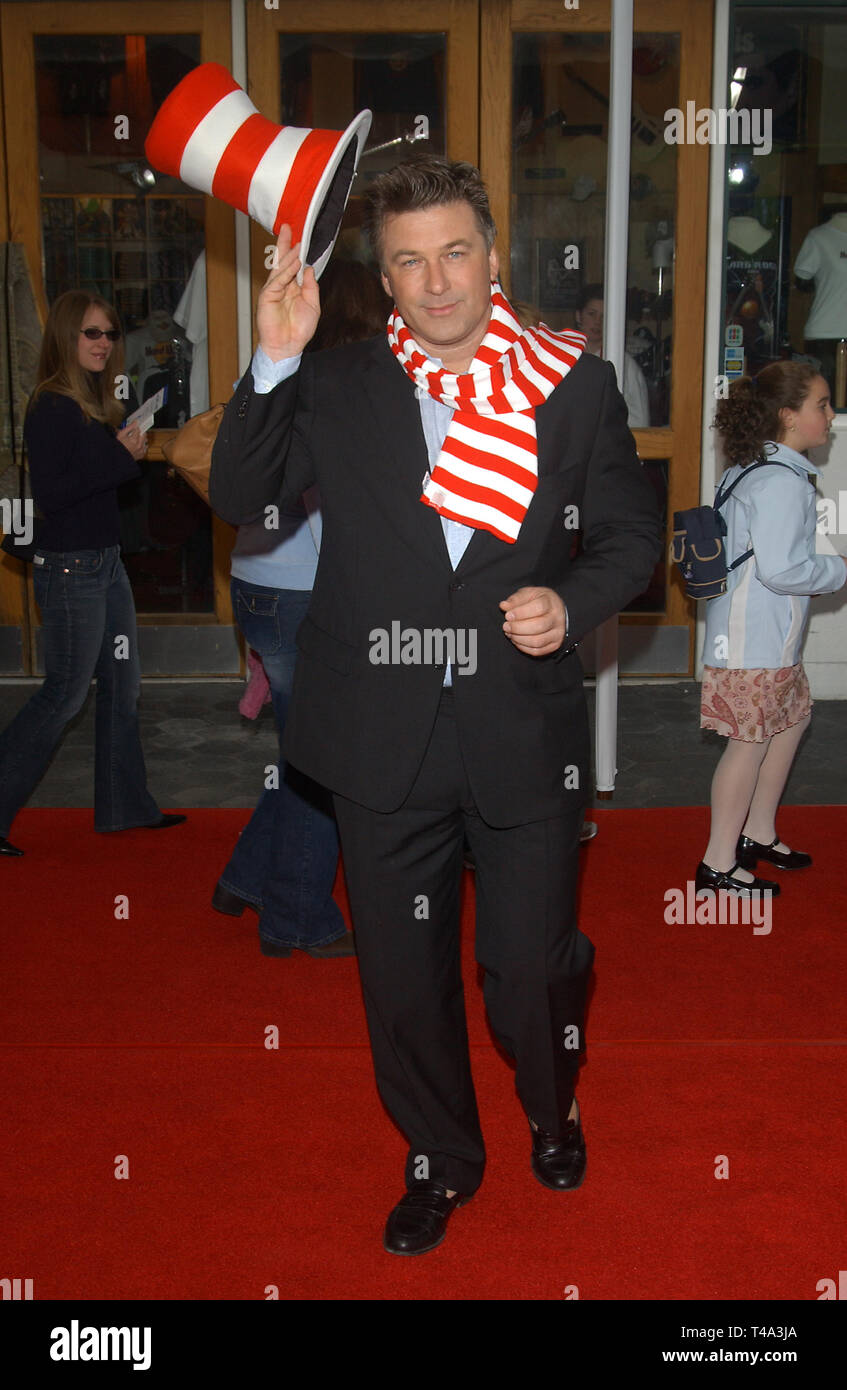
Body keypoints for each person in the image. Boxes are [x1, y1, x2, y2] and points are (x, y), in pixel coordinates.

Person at [210, 156, 661, 1254]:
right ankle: (440, 1156)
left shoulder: (574, 385)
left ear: (493, 256)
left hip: (523, 736)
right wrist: (275, 353)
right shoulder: (339, 381)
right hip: (381, 741)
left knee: (525, 970)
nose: (437, 281)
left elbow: (631, 543)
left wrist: (570, 596)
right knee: (403, 983)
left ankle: (552, 1102)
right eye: (409, 261)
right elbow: (241, 496)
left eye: (456, 251)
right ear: (386, 276)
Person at [212, 262, 390, 958]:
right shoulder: (341, 393)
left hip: (254, 583)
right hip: (304, 593)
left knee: (302, 754)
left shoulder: (278, 372)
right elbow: (334, 522)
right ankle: (294, 916)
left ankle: (246, 877)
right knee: (325, 764)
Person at [0, 290, 186, 857]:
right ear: (65, 337)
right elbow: (56, 493)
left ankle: (124, 805)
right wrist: (120, 457)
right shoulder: (52, 405)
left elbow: (89, 479)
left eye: (109, 334)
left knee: (122, 690)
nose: (104, 343)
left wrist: (119, 448)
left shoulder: (88, 402)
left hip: (104, 563)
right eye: (91, 334)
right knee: (63, 695)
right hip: (70, 568)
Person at [697, 363, 846, 895]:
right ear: (788, 415)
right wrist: (840, 567)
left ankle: (756, 833)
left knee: (790, 722)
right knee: (749, 744)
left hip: (760, 635)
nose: (829, 415)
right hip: (754, 639)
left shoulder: (750, 467)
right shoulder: (782, 482)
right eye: (821, 405)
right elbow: (783, 570)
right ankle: (717, 863)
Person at [574, 283, 650, 428]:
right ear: (579, 316)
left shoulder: (625, 364)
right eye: (592, 314)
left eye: (604, 316)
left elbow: (641, 423)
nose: (598, 321)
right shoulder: (564, 359)